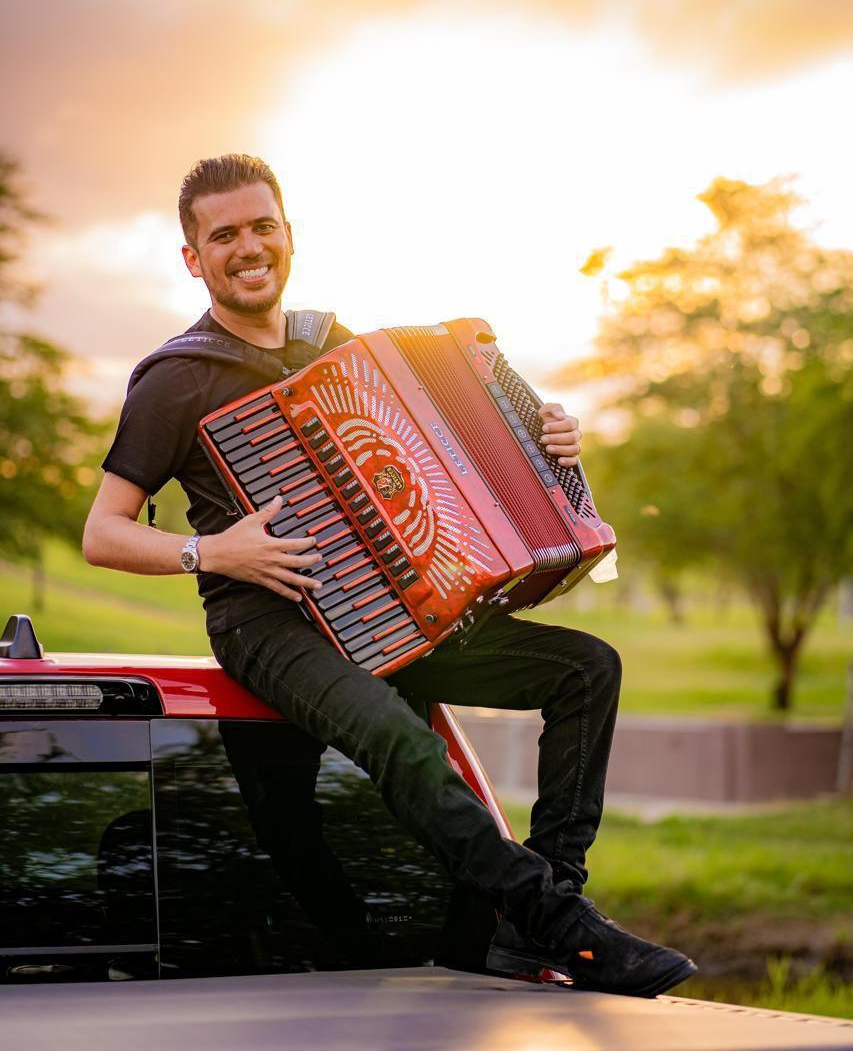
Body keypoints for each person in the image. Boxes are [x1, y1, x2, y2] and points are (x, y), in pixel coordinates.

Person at [83, 153, 696, 997]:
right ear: (194, 258)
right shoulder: (175, 378)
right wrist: (211, 551)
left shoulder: (334, 345)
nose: (248, 246)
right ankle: (564, 928)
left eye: (263, 225)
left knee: (586, 668)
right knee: (397, 733)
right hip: (265, 620)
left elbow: (431, 467)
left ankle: (536, 915)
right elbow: (102, 533)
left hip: (384, 606)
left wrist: (542, 440)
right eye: (223, 235)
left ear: (288, 235)